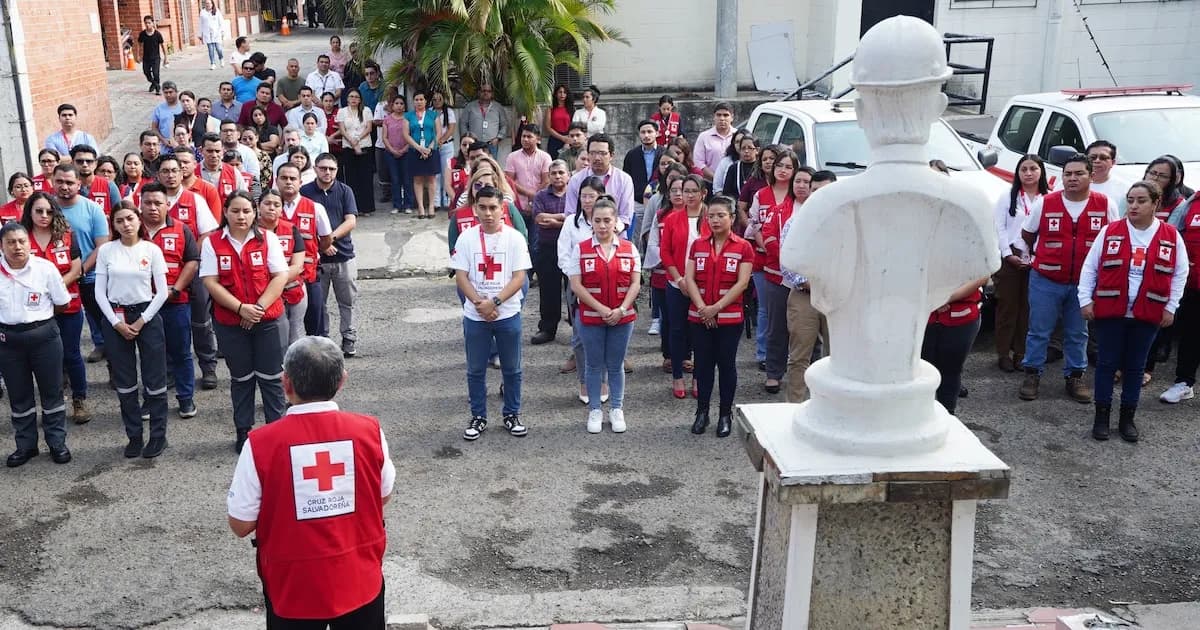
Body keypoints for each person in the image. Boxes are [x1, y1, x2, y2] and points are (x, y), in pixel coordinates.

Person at [226, 335, 394, 628]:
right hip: (359, 578)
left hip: (293, 587)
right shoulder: (370, 431)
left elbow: (241, 524)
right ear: (342, 381)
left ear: (285, 383)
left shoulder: (261, 444)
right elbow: (383, 496)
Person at [1080, 181, 1188, 442]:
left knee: (1136, 367)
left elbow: (1180, 274)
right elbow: (1090, 267)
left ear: (1155, 204)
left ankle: (1127, 419)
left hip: (1148, 313)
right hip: (1111, 311)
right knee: (1106, 365)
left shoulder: (1171, 236)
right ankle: (1102, 418)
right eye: (1130, 200)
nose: (1134, 206)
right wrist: (1085, 299)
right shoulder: (1110, 231)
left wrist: (1170, 306)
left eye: (1141, 201)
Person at [1019, 153, 1120, 402]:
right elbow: (1028, 234)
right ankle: (1032, 373)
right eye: (1068, 174)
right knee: (1038, 330)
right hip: (1046, 279)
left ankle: (1075, 376)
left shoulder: (1105, 204)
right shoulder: (1046, 202)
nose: (1072, 178)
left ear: (1091, 176)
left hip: (1084, 284)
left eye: (1079, 173)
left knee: (1078, 332)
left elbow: (1113, 240)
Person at [202, 191, 289, 453]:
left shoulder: (268, 239)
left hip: (268, 320)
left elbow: (279, 276)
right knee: (241, 379)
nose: (241, 216)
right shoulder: (212, 243)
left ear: (255, 213)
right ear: (225, 212)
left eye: (247, 211)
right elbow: (210, 282)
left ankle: (278, 432)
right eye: (236, 211)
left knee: (272, 378)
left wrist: (257, 309)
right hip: (231, 322)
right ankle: (244, 431)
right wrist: (241, 309)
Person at [451, 186, 530, 441]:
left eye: (493, 208)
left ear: (502, 209)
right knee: (475, 369)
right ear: (475, 209)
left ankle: (512, 413)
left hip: (507, 313)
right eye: (482, 207)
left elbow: (519, 277)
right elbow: (460, 276)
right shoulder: (466, 238)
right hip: (476, 315)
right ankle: (478, 416)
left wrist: (494, 302)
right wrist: (479, 303)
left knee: (512, 368)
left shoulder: (515, 238)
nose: (488, 213)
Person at [95, 203, 171, 458]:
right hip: (116, 316)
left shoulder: (151, 250)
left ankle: (158, 436)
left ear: (138, 220)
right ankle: (134, 436)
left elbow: (161, 292)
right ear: (113, 225)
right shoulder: (106, 251)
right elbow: (99, 292)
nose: (126, 224)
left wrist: (141, 321)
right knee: (125, 383)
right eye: (119, 221)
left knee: (155, 380)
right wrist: (116, 323)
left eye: (129, 219)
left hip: (146, 315)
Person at [0, 222, 73, 467]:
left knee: (52, 392)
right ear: (2, 246)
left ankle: (57, 443)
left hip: (44, 338)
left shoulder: (45, 268)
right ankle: (25, 446)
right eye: (11, 242)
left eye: (21, 241)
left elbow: (62, 303)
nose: (17, 247)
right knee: (19, 396)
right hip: (8, 342)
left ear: (29, 244)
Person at [565, 198, 640, 433]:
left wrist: (621, 309)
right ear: (591, 223)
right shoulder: (581, 248)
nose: (603, 225)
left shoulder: (629, 248)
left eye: (607, 220)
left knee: (616, 364)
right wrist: (600, 308)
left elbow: (636, 283)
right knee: (593, 364)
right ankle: (595, 410)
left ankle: (617, 408)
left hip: (622, 317)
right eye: (597, 220)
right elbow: (576, 285)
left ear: (616, 221)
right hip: (590, 316)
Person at [684, 195, 753, 437]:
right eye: (711, 215)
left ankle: (725, 414)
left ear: (732, 218)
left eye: (720, 215)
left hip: (730, 318)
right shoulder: (698, 245)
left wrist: (716, 308)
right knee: (702, 366)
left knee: (726, 365)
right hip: (699, 316)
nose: (715, 220)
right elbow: (689, 278)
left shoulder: (743, 247)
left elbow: (742, 283)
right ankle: (702, 412)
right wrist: (704, 308)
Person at [21, 192, 87, 423]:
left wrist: (53, 289)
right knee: (45, 359)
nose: (44, 215)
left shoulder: (68, 235)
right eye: (38, 210)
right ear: (29, 211)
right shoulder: (21, 238)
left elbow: (76, 270)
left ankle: (79, 399)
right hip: (35, 310)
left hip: (67, 305)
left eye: (49, 211)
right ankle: (54, 403)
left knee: (71, 354)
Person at [138, 183, 200, 419]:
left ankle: (185, 398)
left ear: (167, 205)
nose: (153, 208)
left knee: (181, 352)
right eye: (148, 203)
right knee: (149, 354)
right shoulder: (133, 231)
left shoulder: (182, 230)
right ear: (140, 205)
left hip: (176, 303)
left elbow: (192, 261)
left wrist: (175, 289)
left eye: (158, 203)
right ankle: (152, 399)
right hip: (142, 305)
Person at [660, 174, 712, 398]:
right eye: (685, 190)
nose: (688, 195)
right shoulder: (672, 218)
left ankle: (699, 376)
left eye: (693, 191)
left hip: (704, 285)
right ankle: (678, 376)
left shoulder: (712, 217)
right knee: (678, 329)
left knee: (700, 332)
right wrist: (679, 279)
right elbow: (665, 252)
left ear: (703, 193)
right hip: (676, 283)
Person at [53, 164, 110, 366]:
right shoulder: (45, 210)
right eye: (60, 181)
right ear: (52, 181)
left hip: (91, 278)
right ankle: (64, 374)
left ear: (79, 183)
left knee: (105, 325)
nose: (65, 186)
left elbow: (102, 245)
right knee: (59, 331)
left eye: (69, 182)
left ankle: (114, 369)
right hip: (58, 281)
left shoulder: (93, 208)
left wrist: (82, 270)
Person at [302, 153, 359, 356]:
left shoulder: (345, 191)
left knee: (348, 301)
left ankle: (349, 338)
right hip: (317, 259)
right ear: (316, 168)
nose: (327, 172)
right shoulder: (305, 192)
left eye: (332, 169)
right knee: (319, 304)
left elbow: (351, 221)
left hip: (344, 255)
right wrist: (321, 246)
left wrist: (329, 239)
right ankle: (323, 341)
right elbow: (302, 224)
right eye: (323, 168)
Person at [758, 164, 809, 394]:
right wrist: (787, 262)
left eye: (806, 182)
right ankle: (774, 373)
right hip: (779, 276)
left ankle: (808, 375)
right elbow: (768, 237)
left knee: (810, 331)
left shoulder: (821, 210)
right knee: (777, 326)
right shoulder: (780, 210)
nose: (801, 186)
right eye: (797, 181)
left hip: (812, 281)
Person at [994, 154, 1046, 372]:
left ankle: (1021, 352)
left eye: (1033, 168)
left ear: (1041, 171)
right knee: (1007, 305)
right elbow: (1000, 227)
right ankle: (1003, 352)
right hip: (1011, 257)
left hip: (1037, 258)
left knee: (1028, 308)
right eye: (1023, 169)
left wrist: (1036, 258)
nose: (1028, 173)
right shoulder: (1009, 196)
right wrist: (1007, 254)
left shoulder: (1048, 198)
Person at [277, 164, 333, 338]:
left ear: (300, 182)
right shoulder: (268, 208)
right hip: (277, 279)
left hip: (309, 275)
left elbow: (326, 240)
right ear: (276, 181)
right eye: (284, 178)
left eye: (293, 178)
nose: (288, 182)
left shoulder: (315, 208)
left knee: (314, 323)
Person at [643, 166, 689, 353]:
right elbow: (653, 243)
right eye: (674, 190)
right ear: (667, 194)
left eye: (682, 190)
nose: (678, 194)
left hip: (689, 275)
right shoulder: (661, 215)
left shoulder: (699, 214)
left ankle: (687, 353)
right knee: (667, 316)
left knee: (687, 317)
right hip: (663, 273)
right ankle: (668, 354)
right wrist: (665, 259)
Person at [257, 190, 307, 346]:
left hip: (293, 290)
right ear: (258, 207)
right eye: (267, 203)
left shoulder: (291, 229)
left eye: (276, 205)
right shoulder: (249, 231)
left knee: (295, 337)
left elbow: (298, 266)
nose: (272, 208)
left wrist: (277, 280)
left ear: (282, 209)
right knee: (272, 340)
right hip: (262, 293)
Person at [530, 160, 570, 345]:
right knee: (548, 290)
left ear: (568, 174)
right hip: (548, 248)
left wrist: (556, 222)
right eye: (553, 173)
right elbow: (539, 218)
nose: (557, 176)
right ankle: (547, 328)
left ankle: (577, 327)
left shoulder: (574, 194)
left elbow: (577, 218)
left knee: (574, 288)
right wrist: (564, 218)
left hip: (571, 248)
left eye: (561, 172)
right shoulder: (540, 196)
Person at [563, 134, 635, 228]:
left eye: (602, 153)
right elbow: (571, 214)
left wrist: (606, 230)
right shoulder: (576, 180)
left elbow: (625, 217)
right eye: (592, 153)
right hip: (582, 234)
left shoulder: (624, 180)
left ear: (611, 155)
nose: (597, 158)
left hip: (615, 234)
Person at [336, 89, 375, 218]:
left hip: (365, 146)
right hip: (348, 147)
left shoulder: (366, 110)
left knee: (365, 178)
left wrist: (357, 139)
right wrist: (352, 142)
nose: (353, 99)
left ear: (360, 99)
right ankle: (353, 208)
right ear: (347, 99)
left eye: (356, 97)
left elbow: (369, 128)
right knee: (351, 179)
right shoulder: (342, 112)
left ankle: (366, 207)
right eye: (351, 96)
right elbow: (342, 129)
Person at [404, 91, 443, 219]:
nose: (419, 102)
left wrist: (430, 148)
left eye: (421, 99)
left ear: (426, 101)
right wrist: (419, 148)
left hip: (431, 150)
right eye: (416, 99)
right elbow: (406, 134)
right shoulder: (408, 116)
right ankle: (421, 207)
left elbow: (438, 133)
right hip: (415, 150)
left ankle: (431, 206)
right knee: (418, 179)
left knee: (431, 179)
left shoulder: (433, 115)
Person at [622, 120, 663, 233]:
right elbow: (626, 178)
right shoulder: (632, 155)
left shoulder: (664, 153)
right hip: (637, 202)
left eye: (650, 132)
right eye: (643, 132)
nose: (646, 135)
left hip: (659, 201)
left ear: (657, 133)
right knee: (638, 236)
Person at [504, 124, 551, 218]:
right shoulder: (512, 157)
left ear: (538, 139)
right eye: (523, 136)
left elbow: (546, 181)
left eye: (529, 137)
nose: (525, 139)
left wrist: (534, 198)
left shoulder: (545, 157)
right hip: (517, 205)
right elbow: (509, 181)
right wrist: (529, 194)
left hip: (539, 205)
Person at [378, 94, 410, 215]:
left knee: (406, 179)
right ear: (392, 105)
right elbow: (384, 137)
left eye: (401, 103)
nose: (399, 106)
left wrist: (404, 149)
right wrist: (392, 150)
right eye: (396, 103)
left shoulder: (408, 118)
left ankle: (408, 204)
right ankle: (397, 205)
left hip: (406, 153)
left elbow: (411, 136)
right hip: (390, 153)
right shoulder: (387, 119)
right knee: (395, 179)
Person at [199, 133, 246, 208]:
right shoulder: (193, 172)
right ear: (201, 150)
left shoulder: (234, 173)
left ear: (223, 151)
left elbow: (244, 200)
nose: (214, 155)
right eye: (209, 151)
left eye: (217, 151)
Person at [460, 84, 506, 156]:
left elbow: (504, 124)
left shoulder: (498, 107)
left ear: (492, 93)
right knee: (474, 165)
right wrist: (466, 139)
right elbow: (463, 123)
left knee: (490, 166)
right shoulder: (470, 106)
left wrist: (498, 138)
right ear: (479, 92)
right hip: (474, 144)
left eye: (489, 91)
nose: (486, 93)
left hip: (491, 145)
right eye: (483, 91)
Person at [692, 102, 735, 181]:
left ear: (732, 117)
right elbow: (698, 163)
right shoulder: (704, 137)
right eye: (718, 115)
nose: (722, 118)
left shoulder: (738, 136)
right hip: (709, 183)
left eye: (726, 115)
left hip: (734, 183)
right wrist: (716, 179)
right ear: (714, 117)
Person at [431, 90, 458, 210]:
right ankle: (436, 201)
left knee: (447, 173)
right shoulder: (429, 112)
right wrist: (435, 142)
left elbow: (451, 129)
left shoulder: (449, 112)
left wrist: (441, 140)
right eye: (435, 99)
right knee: (436, 174)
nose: (437, 102)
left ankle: (447, 200)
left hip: (446, 145)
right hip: (433, 145)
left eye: (439, 99)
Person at [135, 16, 167, 95]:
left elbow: (162, 46)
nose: (147, 25)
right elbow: (139, 44)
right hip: (146, 58)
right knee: (146, 73)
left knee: (156, 73)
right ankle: (154, 83)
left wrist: (166, 57)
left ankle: (157, 88)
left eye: (149, 23)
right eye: (146, 23)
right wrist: (138, 55)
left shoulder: (157, 34)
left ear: (153, 23)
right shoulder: (142, 34)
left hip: (156, 58)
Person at [722, 134, 759, 198]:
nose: (746, 151)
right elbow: (726, 192)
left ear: (757, 150)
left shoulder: (760, 168)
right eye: (743, 148)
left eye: (750, 148)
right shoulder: (733, 168)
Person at [543, 84, 573, 159]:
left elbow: (573, 126)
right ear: (556, 94)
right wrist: (561, 137)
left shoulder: (571, 108)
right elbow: (548, 127)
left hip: (568, 138)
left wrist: (567, 140)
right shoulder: (550, 108)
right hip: (554, 138)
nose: (562, 94)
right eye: (560, 92)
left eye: (564, 92)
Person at [199, 1, 224, 70]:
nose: (208, 5)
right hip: (207, 34)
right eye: (206, 3)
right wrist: (200, 34)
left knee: (218, 49)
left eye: (209, 3)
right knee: (211, 50)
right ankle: (213, 63)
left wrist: (222, 31)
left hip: (216, 33)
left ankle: (221, 58)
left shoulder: (216, 11)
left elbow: (221, 22)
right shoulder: (202, 12)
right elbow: (200, 24)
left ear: (212, 4)